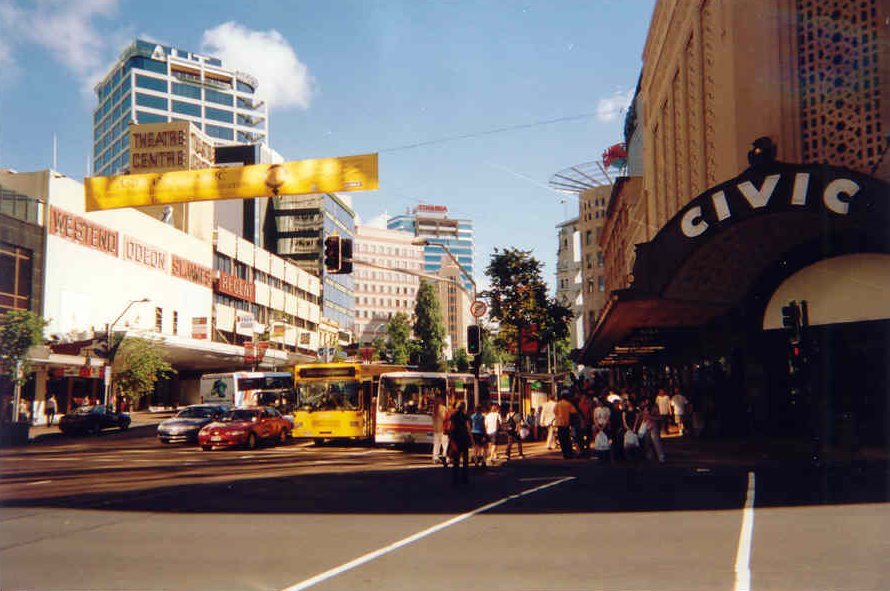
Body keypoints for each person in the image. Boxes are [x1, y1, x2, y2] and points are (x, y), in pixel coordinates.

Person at [447, 401, 472, 484]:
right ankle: (465, 477)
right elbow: (468, 427)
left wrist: (450, 437)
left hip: (456, 439)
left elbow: (450, 427)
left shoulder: (453, 416)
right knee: (465, 459)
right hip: (464, 438)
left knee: (456, 460)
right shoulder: (465, 416)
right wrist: (471, 439)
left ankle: (455, 478)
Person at [553, 392, 577, 459]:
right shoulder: (568, 404)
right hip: (566, 423)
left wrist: (559, 416)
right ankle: (568, 453)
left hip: (559, 424)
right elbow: (574, 412)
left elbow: (554, 411)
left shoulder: (558, 404)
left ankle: (564, 453)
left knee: (561, 439)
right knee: (567, 439)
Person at [431, 396, 449, 466]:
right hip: (443, 429)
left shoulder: (434, 409)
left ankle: (435, 457)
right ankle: (445, 456)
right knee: (445, 444)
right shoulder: (443, 408)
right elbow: (446, 418)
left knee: (436, 444)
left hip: (436, 429)